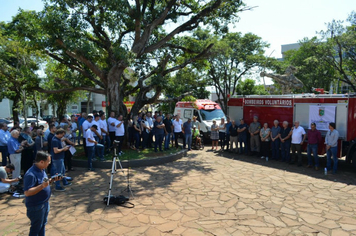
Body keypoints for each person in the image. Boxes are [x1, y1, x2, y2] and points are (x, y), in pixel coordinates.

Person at [24, 151, 61, 236]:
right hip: (36, 207)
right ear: (41, 162)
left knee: (42, 225)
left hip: (44, 203)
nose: (49, 163)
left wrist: (52, 180)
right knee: (36, 229)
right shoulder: (30, 174)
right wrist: (42, 186)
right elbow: (27, 192)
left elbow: (44, 182)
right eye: (48, 161)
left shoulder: (42, 169)